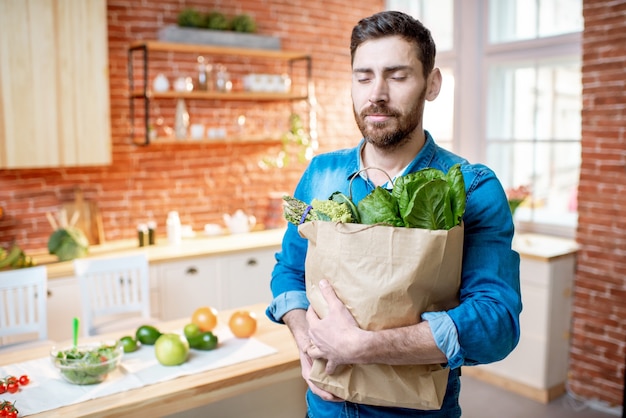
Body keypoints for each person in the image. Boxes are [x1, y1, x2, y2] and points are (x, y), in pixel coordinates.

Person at [266, 10, 522, 417]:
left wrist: (362, 347)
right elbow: (289, 271)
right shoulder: (320, 174)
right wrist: (305, 339)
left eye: (397, 76)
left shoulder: (471, 186)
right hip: (325, 407)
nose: (377, 94)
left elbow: (497, 323)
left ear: (431, 84)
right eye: (363, 76)